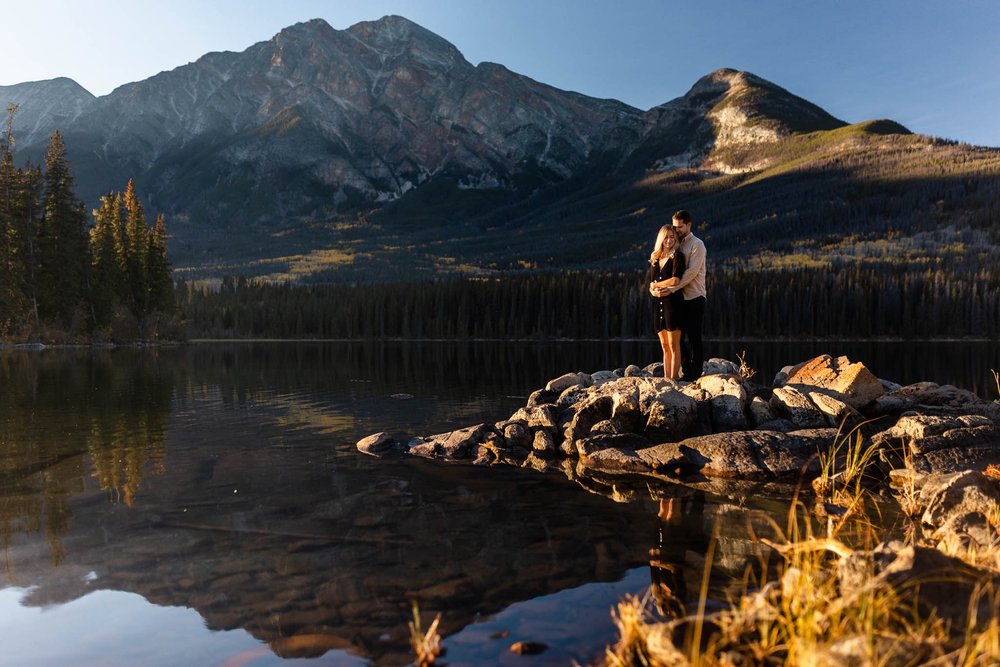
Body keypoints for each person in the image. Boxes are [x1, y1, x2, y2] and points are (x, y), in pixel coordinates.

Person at [667, 210, 707, 381]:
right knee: (678, 338)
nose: (676, 230)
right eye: (674, 227)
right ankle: (686, 369)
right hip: (679, 300)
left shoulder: (697, 245)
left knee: (694, 337)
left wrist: (672, 287)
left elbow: (691, 273)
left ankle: (696, 373)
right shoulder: (677, 245)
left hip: (695, 298)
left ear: (689, 225)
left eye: (680, 227)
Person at [648, 225, 685, 379]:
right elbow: (650, 283)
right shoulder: (655, 258)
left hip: (673, 303)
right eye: (666, 237)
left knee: (673, 344)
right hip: (658, 304)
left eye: (672, 237)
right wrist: (652, 290)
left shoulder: (677, 256)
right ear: (661, 238)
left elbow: (676, 280)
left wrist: (656, 285)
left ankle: (673, 379)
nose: (669, 240)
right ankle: (666, 378)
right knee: (664, 346)